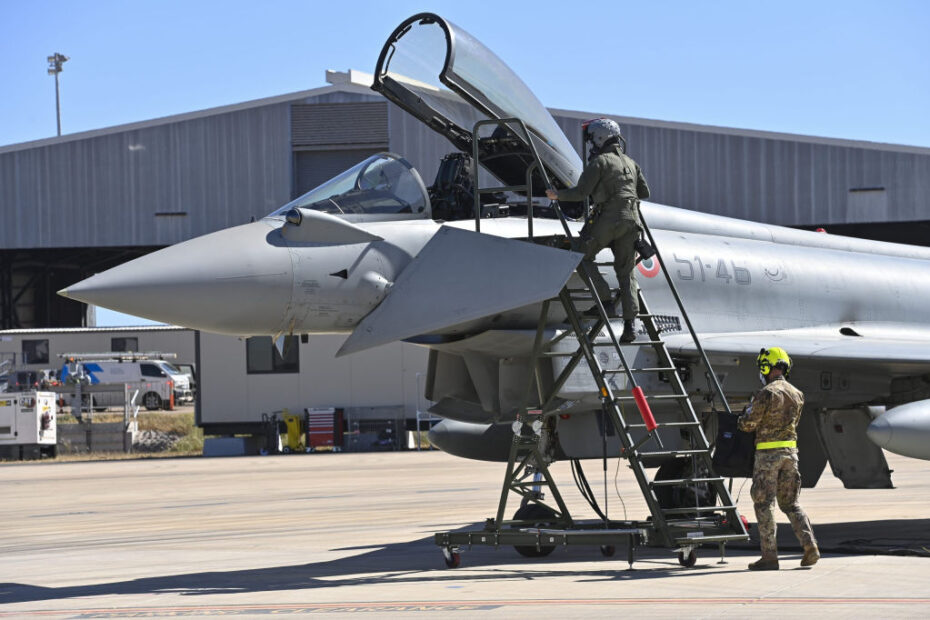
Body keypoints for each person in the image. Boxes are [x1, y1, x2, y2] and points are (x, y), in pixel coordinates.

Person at [545, 118, 649, 342]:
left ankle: (606, 301)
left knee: (581, 258)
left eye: (593, 140)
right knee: (626, 272)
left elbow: (581, 193)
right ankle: (630, 326)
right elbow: (644, 192)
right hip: (632, 222)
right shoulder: (632, 163)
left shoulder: (600, 162)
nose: (592, 145)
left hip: (607, 220)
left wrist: (557, 195)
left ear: (600, 137)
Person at [738, 347, 820, 570]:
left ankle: (769, 556)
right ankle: (810, 546)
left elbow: (748, 424)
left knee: (764, 504)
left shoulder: (766, 393)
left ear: (766, 367)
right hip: (791, 455)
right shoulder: (797, 394)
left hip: (767, 457)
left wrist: (743, 415)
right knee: (791, 504)